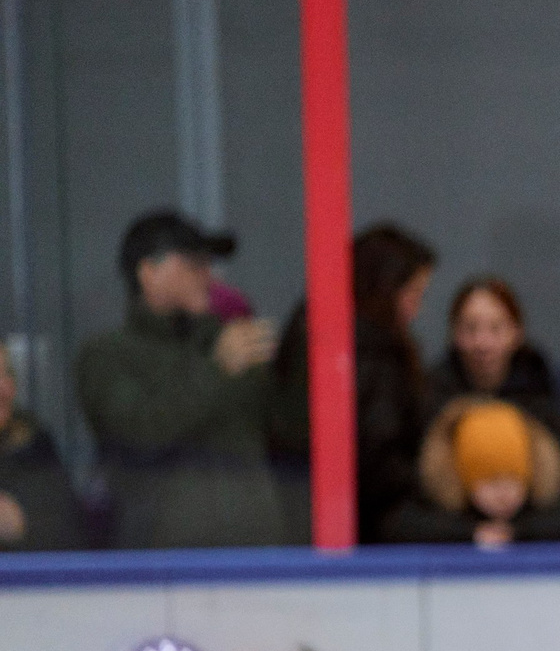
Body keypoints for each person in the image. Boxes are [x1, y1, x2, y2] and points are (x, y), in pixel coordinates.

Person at [76, 210, 288, 548]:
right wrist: (217, 369)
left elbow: (282, 431)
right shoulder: (107, 356)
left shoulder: (224, 343)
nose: (207, 276)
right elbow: (137, 434)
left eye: (207, 264)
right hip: (163, 564)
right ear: (148, 273)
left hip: (253, 553)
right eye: (192, 265)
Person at [270, 224, 439, 544]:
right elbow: (376, 455)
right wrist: (433, 485)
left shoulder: (330, 335)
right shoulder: (366, 353)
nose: (416, 310)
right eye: (413, 293)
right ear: (385, 288)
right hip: (364, 533)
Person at [417, 276, 560, 534]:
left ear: (517, 332)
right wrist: (467, 532)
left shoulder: (543, 400)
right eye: (470, 329)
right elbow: (408, 511)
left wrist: (521, 532)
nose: (482, 343)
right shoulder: (430, 403)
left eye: (495, 328)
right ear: (454, 334)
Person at [380, 398, 560, 547]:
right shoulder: (437, 512)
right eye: (489, 480)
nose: (503, 493)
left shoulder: (550, 510)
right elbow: (397, 526)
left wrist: (518, 533)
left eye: (514, 479)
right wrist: (471, 534)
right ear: (461, 478)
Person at [0, 345, 82, 551]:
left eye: (7, 374)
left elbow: (68, 534)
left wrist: (22, 527)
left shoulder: (33, 447)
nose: (5, 389)